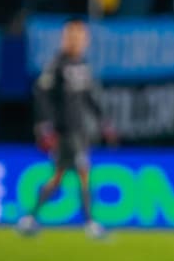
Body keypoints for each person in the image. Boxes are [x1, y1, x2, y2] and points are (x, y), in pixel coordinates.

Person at [16, 19, 116, 239]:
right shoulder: (58, 64)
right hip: (66, 130)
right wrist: (45, 125)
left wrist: (103, 120)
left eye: (82, 38)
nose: (80, 41)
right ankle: (90, 223)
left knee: (59, 176)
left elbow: (89, 97)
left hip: (80, 129)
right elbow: (42, 93)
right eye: (77, 37)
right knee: (83, 173)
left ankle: (29, 218)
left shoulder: (82, 65)